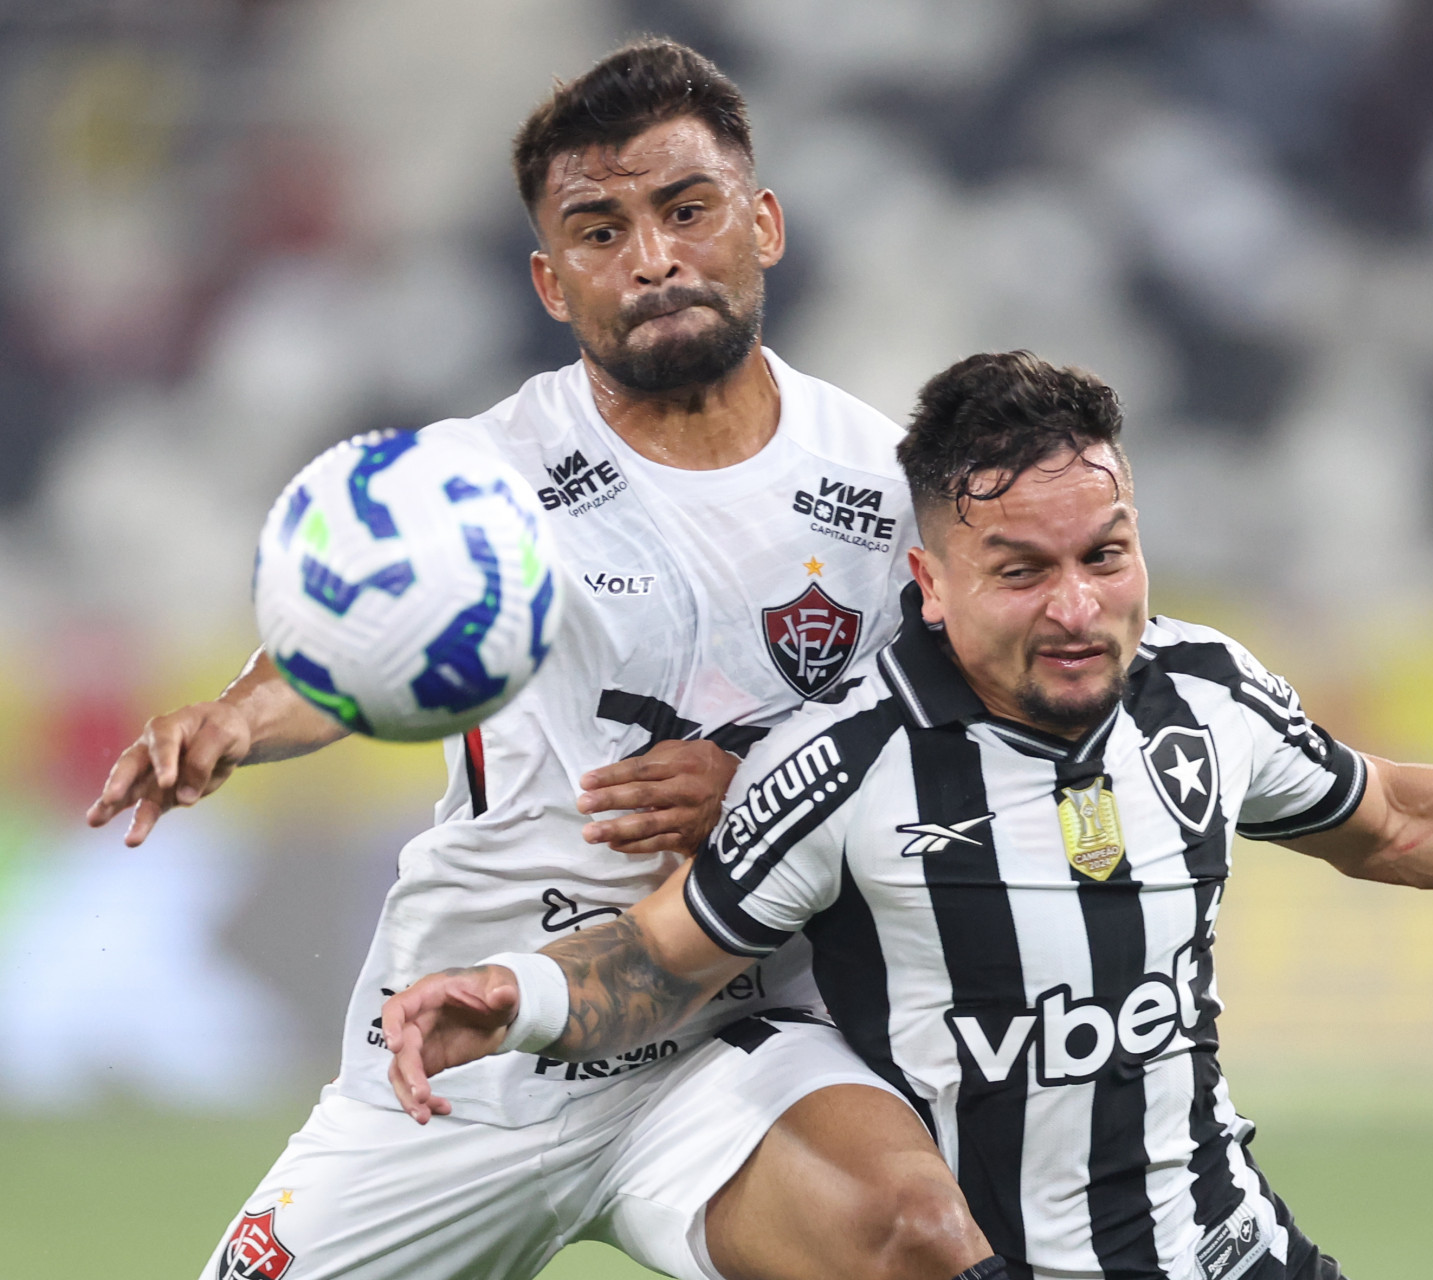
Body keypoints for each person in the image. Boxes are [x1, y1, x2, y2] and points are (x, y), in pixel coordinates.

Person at [383, 351, 1433, 1280]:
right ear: (931, 583)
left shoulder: (1205, 691)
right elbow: (661, 960)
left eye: (1106, 553)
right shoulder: (842, 765)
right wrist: (501, 997)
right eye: (1023, 570)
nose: (1081, 605)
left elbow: (1404, 819)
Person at [86, 38, 995, 1280]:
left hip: (727, 1038)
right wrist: (238, 721)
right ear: (550, 281)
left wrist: (765, 805)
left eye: (687, 211)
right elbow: (341, 643)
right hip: (464, 1042)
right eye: (600, 230)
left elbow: (965, 765)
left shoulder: (886, 491)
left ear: (765, 223)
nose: (655, 258)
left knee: (916, 1234)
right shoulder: (479, 478)